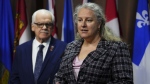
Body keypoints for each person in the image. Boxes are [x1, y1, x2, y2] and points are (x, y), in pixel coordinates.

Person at [54, 2, 133, 84]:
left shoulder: (116, 48)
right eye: (80, 20)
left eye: (89, 20)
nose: (83, 25)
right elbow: (59, 76)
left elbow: (125, 82)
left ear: (99, 24)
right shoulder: (71, 47)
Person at [10, 9, 67, 84]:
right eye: (40, 24)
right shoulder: (21, 50)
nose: (44, 27)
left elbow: (67, 77)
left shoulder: (63, 48)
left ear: (52, 27)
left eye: (48, 24)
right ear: (32, 27)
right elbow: (14, 79)